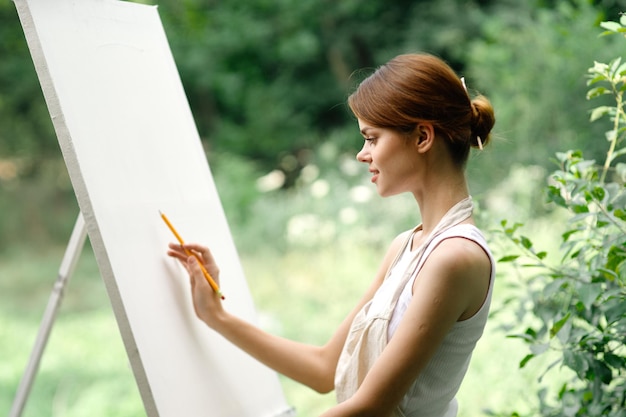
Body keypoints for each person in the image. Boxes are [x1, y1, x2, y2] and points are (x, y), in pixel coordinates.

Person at [167, 52, 496, 417]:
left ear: (422, 136)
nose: (361, 154)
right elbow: (325, 369)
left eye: (371, 138)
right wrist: (216, 316)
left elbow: (372, 407)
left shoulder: (455, 258)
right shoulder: (405, 247)